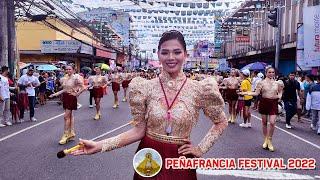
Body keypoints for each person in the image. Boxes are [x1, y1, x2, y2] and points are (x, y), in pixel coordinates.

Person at [71, 30, 228, 179]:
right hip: (149, 158)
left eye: (177, 52)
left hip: (181, 160)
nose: (171, 57)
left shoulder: (199, 89)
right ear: (158, 55)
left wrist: (200, 149)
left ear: (185, 55)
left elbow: (221, 121)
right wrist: (99, 146)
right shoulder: (144, 87)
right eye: (165, 52)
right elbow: (138, 131)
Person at [240, 67, 284, 151]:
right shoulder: (261, 82)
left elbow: (281, 91)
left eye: (273, 72)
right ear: (266, 73)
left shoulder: (278, 83)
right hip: (264, 102)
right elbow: (256, 93)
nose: (271, 74)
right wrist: (245, 92)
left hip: (273, 103)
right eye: (269, 72)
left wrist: (279, 96)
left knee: (272, 122)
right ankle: (266, 139)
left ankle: (270, 140)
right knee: (264, 122)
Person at [49, 64, 85, 145]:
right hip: (65, 97)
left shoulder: (76, 78)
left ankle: (65, 135)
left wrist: (77, 94)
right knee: (70, 116)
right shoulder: (65, 78)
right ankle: (71, 132)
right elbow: (64, 89)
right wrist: (55, 94)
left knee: (66, 117)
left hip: (71, 97)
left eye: (70, 69)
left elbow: (83, 87)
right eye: (67, 69)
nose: (68, 71)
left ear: (73, 70)